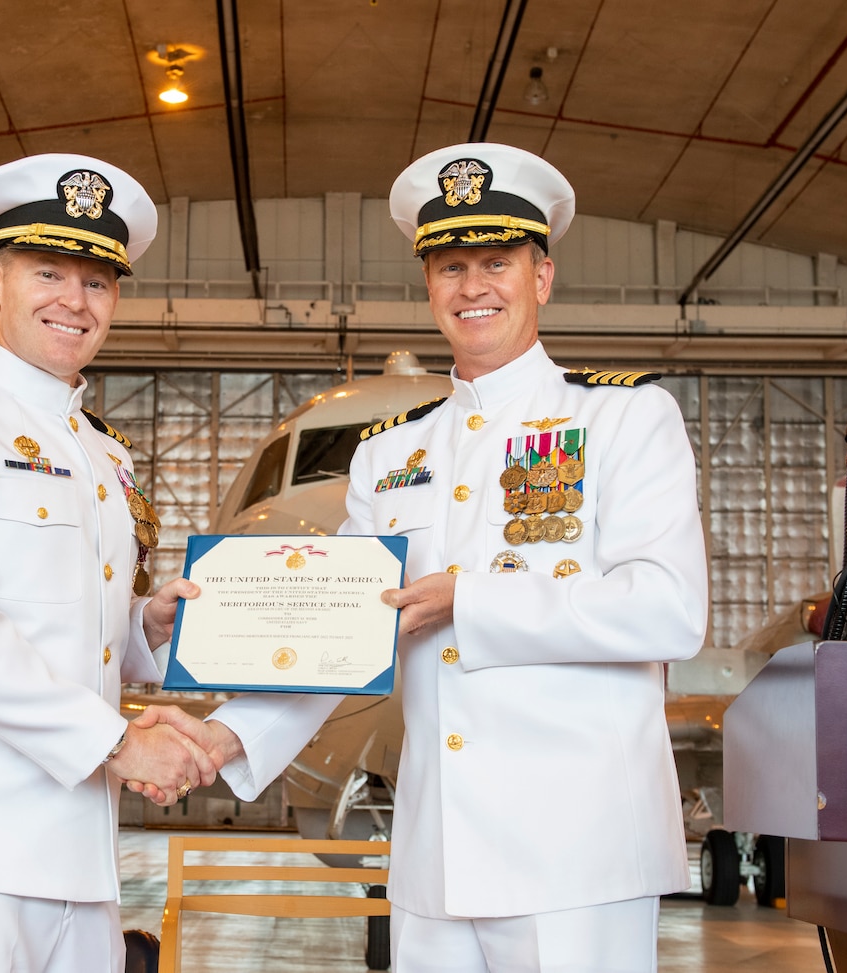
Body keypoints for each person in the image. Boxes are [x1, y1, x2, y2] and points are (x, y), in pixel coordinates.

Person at [137, 143, 710, 972]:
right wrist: (224, 737)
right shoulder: (388, 456)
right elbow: (349, 639)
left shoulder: (626, 419)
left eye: (496, 262)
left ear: (541, 276)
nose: (472, 286)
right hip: (435, 856)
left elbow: (669, 608)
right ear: (429, 284)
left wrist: (469, 601)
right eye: (449, 266)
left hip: (578, 852)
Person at [0, 153, 218, 973]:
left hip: (79, 848)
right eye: (47, 272)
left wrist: (143, 625)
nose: (73, 300)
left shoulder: (101, 451)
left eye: (96, 281)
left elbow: (71, 625)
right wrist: (121, 743)